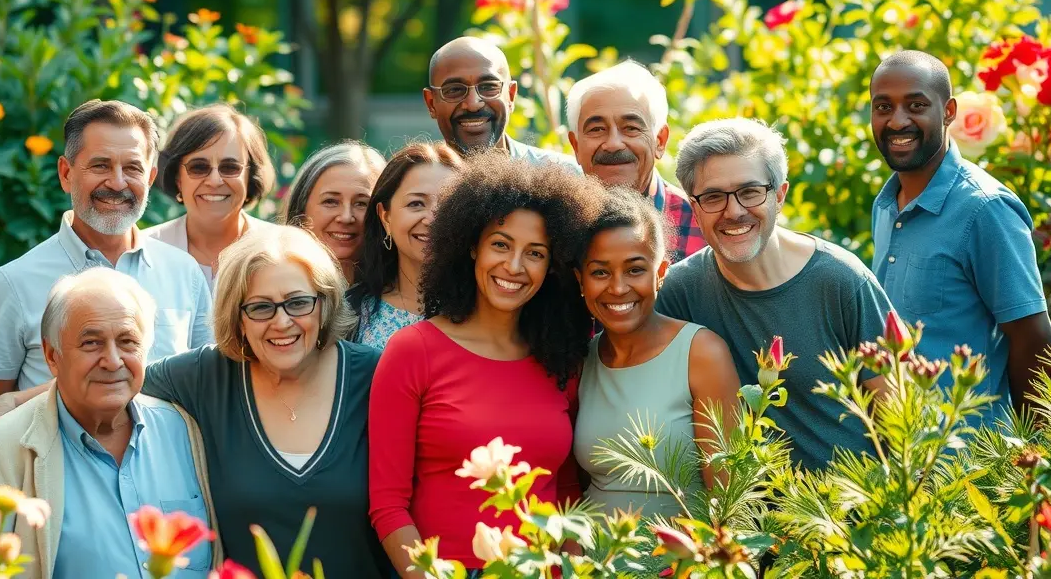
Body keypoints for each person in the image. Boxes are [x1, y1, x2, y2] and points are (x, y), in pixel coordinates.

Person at [0, 225, 391, 577]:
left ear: (325, 302)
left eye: (298, 302)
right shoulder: (207, 377)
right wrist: (14, 400)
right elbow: (114, 376)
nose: (282, 322)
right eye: (260, 307)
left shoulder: (375, 378)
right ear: (237, 317)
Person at [369, 152, 598, 577]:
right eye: (500, 244)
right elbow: (388, 506)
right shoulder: (413, 351)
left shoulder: (562, 360)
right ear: (471, 244)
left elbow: (566, 489)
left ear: (551, 266)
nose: (514, 266)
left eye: (535, 253)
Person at [0, 268, 220, 579]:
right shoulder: (1, 448)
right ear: (52, 355)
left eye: (128, 341)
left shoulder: (184, 432)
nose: (113, 360)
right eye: (92, 343)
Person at [654, 118, 892, 470]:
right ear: (694, 206)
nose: (734, 211)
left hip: (851, 513)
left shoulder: (842, 282)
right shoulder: (679, 293)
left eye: (750, 192)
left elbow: (900, 420)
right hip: (740, 518)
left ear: (779, 196)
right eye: (714, 197)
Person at [0, 99, 213, 415]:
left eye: (132, 168)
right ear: (66, 173)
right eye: (100, 165)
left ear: (150, 178)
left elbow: (206, 387)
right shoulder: (17, 282)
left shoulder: (184, 273)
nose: (117, 182)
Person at [868, 50, 1051, 416]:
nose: (897, 121)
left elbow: (1033, 338)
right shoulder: (887, 204)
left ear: (948, 112)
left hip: (969, 459)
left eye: (916, 105)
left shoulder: (985, 209)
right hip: (905, 454)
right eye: (883, 107)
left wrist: (1031, 459)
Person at [572, 187, 740, 518]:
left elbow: (729, 501)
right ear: (581, 281)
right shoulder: (583, 359)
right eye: (600, 272)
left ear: (660, 273)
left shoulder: (701, 354)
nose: (618, 288)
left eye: (635, 269)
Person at [567, 60, 707, 263]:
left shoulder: (702, 225)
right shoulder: (556, 225)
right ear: (576, 146)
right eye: (597, 129)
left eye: (631, 128)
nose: (613, 144)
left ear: (660, 141)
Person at [347, 141, 464, 348]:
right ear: (385, 216)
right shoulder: (351, 312)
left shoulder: (486, 310)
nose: (432, 219)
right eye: (416, 204)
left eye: (448, 205)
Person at [146, 104, 277, 284]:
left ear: (250, 177)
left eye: (230, 167)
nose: (214, 181)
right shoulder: (145, 253)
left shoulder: (281, 250)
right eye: (198, 167)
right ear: (178, 178)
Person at [423, 36, 580, 170]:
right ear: (431, 103)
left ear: (511, 96)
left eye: (488, 87)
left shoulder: (563, 176)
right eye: (455, 90)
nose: (472, 104)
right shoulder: (415, 190)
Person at [282, 141, 386, 282]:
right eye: (331, 201)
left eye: (361, 203)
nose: (346, 217)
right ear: (301, 210)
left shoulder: (404, 295)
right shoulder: (268, 286)